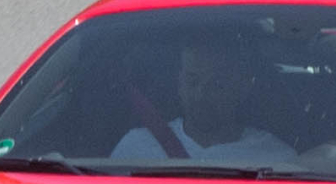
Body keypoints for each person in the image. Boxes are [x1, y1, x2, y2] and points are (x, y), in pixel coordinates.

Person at [111, 34, 296, 164]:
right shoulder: (134, 149)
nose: (201, 94)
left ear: (243, 88)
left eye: (217, 84)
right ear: (179, 83)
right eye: (193, 81)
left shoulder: (276, 160)